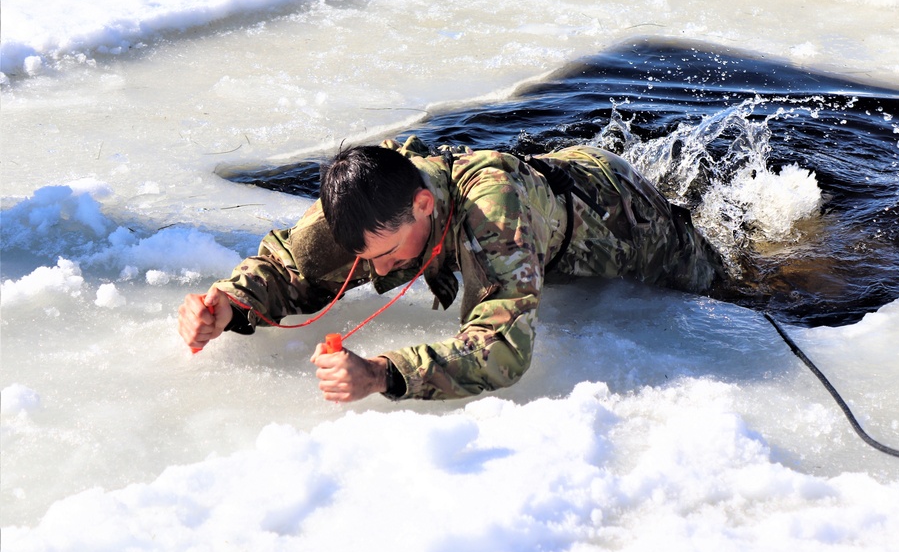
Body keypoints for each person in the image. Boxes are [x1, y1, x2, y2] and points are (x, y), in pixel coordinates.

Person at [177, 136, 726, 402]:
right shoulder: (364, 198)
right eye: (369, 259)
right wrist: (230, 303)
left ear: (422, 207)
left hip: (629, 221)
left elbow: (502, 348)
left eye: (388, 254)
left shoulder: (494, 214)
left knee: (731, 281)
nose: (379, 268)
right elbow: (293, 262)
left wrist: (382, 373)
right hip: (553, 195)